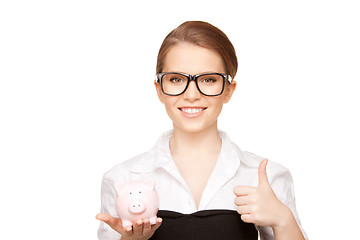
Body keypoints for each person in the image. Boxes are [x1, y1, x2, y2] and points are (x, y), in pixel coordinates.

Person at [96, 21, 307, 240]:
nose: (192, 94)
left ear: (228, 90)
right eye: (176, 79)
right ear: (159, 89)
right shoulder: (122, 179)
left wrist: (284, 220)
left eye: (208, 80)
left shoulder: (267, 177)